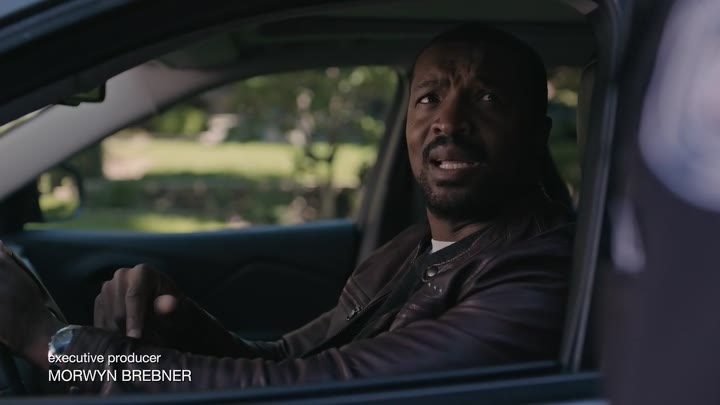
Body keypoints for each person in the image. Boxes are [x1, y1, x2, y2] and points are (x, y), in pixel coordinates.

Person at [0, 23, 574, 394]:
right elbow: (280, 360)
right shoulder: (412, 249)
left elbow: (300, 389)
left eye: (487, 98)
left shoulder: (537, 276)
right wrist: (185, 328)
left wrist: (54, 346)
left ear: (535, 134)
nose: (448, 121)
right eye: (429, 98)